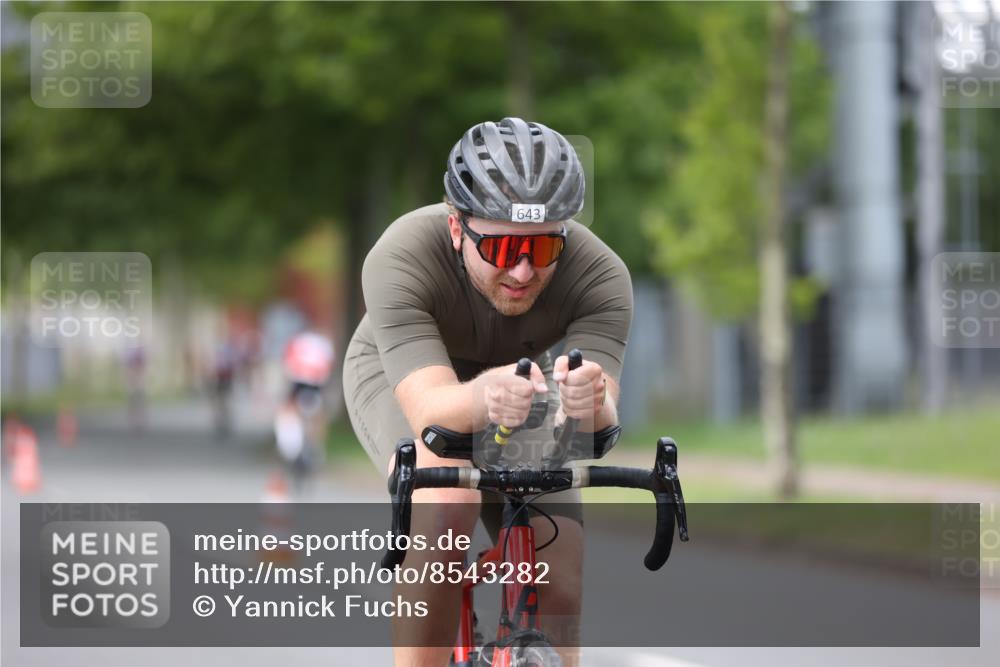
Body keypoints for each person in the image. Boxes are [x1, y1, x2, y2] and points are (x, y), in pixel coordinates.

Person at [343, 117, 632, 667]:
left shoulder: (602, 276)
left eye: (544, 248)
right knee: (449, 502)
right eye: (501, 249)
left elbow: (600, 429)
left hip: (523, 382)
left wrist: (591, 400)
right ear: (457, 229)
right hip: (402, 374)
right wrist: (482, 398)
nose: (523, 270)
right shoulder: (400, 255)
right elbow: (432, 412)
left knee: (560, 572)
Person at [275, 331, 335, 486]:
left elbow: (287, 367)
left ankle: (300, 448)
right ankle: (314, 449)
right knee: (316, 416)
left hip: (300, 384)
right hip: (314, 386)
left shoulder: (298, 344)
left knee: (292, 412)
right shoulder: (322, 345)